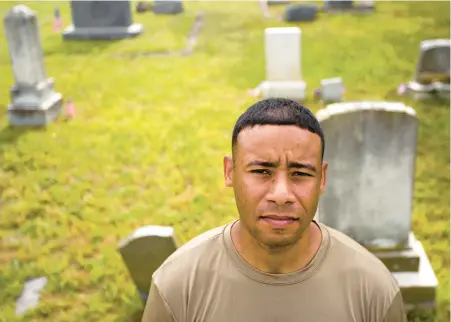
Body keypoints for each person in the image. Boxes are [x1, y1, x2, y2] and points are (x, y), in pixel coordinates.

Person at [141, 98, 408, 322]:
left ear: (322, 179)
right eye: (261, 171)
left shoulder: (374, 292)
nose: (281, 195)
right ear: (230, 172)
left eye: (300, 173)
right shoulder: (176, 286)